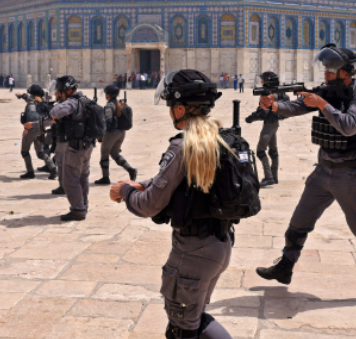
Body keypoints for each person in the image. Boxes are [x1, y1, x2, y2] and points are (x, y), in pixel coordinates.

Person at [255, 44, 356, 310]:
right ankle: (285, 267)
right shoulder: (326, 92)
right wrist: (274, 105)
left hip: (350, 174)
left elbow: (350, 126)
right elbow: (295, 106)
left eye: (331, 70)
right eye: (325, 69)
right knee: (298, 222)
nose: (326, 74)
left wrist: (322, 104)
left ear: (346, 72)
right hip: (323, 171)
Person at [110, 69, 234, 339]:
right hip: (220, 244)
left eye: (170, 107)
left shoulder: (183, 146)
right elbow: (178, 181)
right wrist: (142, 184)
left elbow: (149, 206)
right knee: (192, 321)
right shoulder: (220, 137)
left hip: (193, 253)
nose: (169, 112)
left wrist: (125, 192)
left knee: (182, 329)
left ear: (180, 109)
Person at [46, 76, 96, 220]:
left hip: (76, 148)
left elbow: (54, 113)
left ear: (67, 90)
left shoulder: (72, 103)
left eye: (60, 92)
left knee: (70, 181)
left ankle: (78, 210)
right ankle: (83, 205)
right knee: (83, 177)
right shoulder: (86, 100)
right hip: (87, 146)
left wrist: (57, 104)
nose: (58, 94)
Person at [246, 72, 289, 187]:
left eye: (263, 80)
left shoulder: (268, 94)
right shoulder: (278, 91)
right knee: (273, 150)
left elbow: (263, 112)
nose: (261, 82)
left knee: (260, 151)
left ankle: (269, 177)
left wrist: (251, 118)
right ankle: (274, 177)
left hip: (269, 125)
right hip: (274, 123)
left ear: (268, 81)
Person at [95, 85, 137, 185]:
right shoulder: (120, 103)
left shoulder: (109, 105)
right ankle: (130, 169)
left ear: (108, 95)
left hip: (112, 133)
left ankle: (105, 177)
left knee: (104, 153)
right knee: (115, 153)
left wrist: (101, 135)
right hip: (121, 133)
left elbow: (108, 121)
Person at [18, 85, 58, 180]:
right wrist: (22, 95)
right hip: (41, 130)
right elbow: (28, 98)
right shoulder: (42, 103)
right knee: (40, 153)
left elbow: (32, 118)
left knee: (25, 151)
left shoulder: (31, 105)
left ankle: (30, 172)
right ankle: (53, 169)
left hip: (31, 130)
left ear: (32, 94)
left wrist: (26, 128)